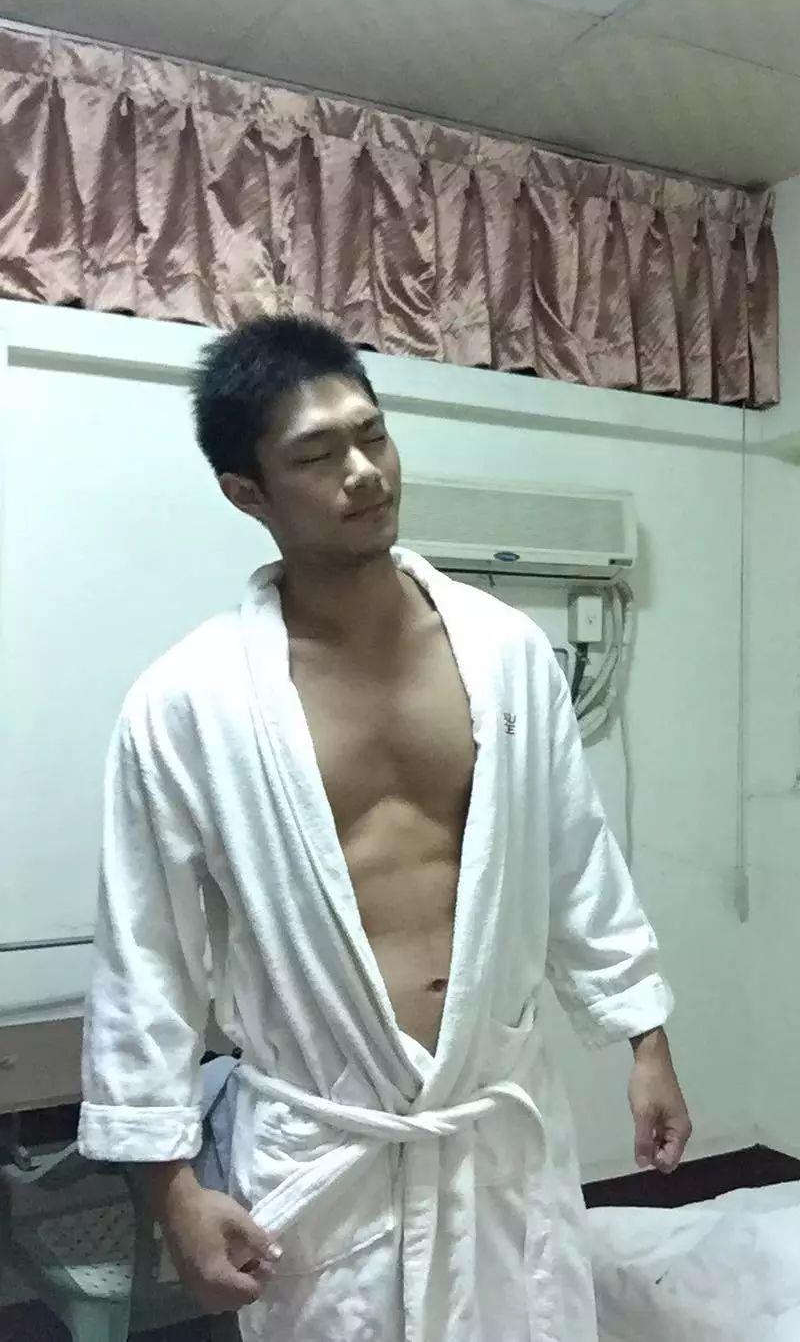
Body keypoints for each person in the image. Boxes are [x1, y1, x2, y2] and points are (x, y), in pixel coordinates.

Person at [78, 315, 691, 1342]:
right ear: (246, 492)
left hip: (493, 1123)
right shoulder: (188, 702)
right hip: (330, 1146)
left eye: (372, 434)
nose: (363, 471)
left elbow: (576, 859)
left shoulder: (507, 654)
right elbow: (148, 957)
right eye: (317, 454)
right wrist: (171, 1187)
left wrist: (646, 1040)